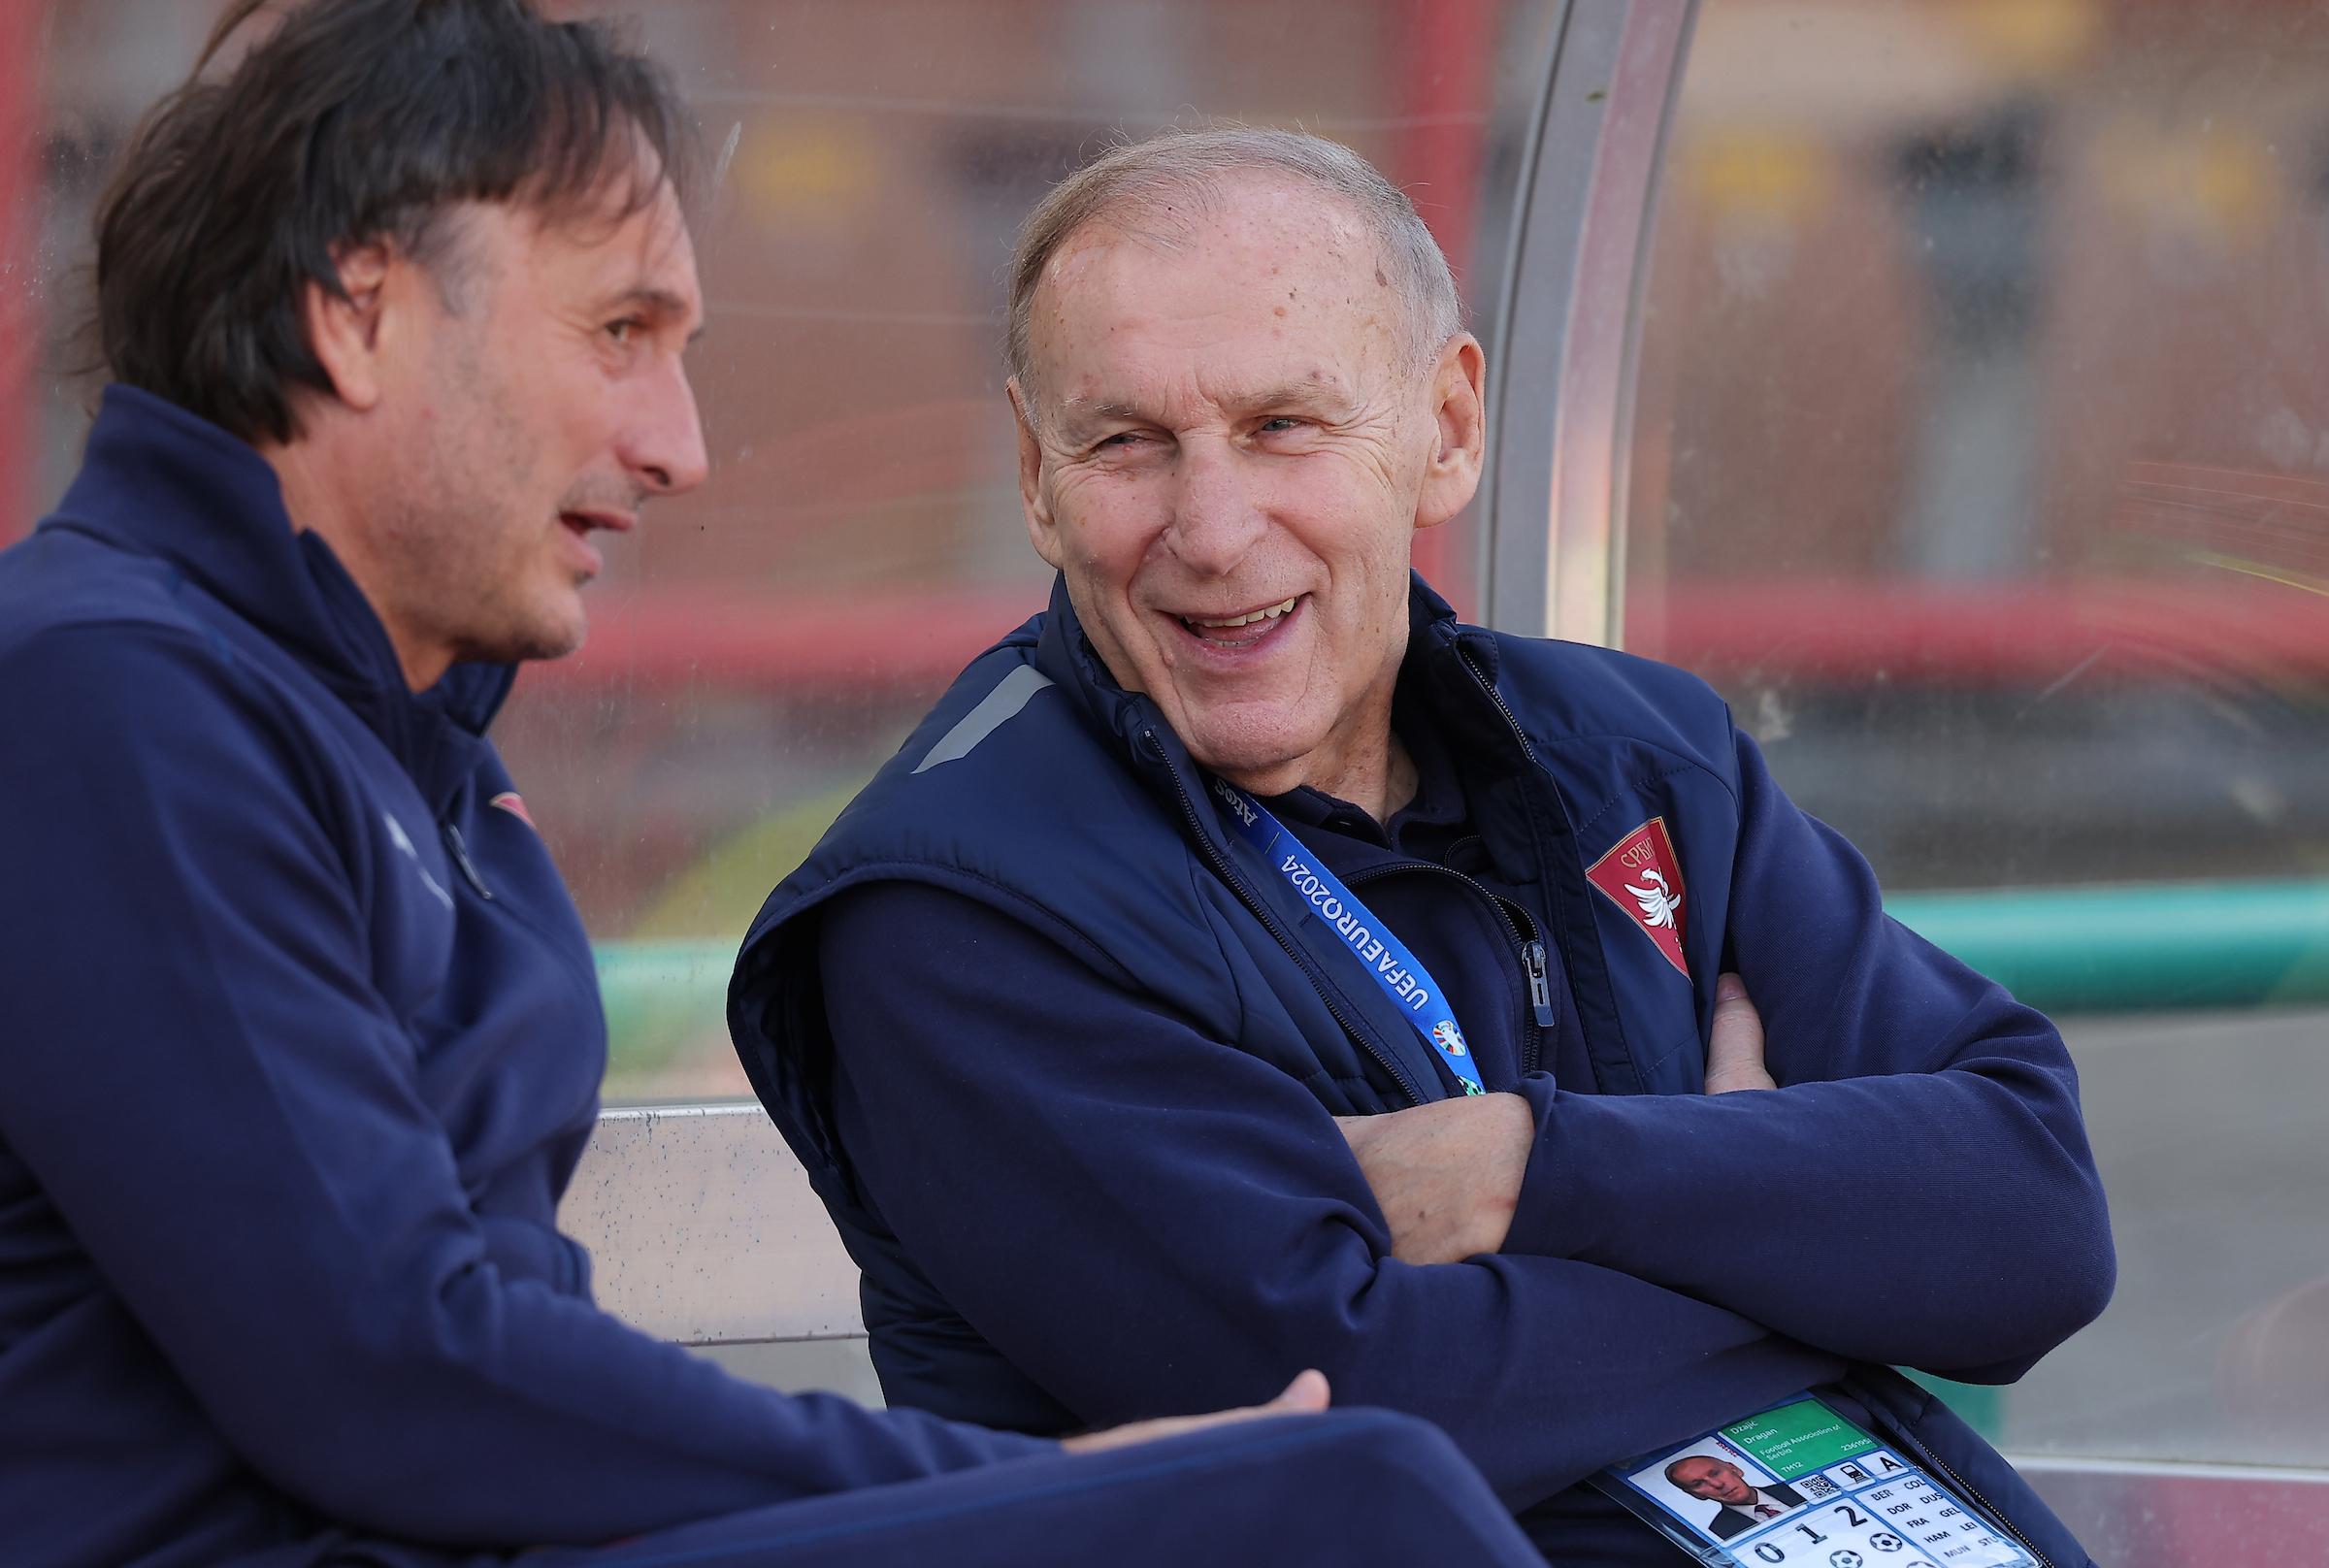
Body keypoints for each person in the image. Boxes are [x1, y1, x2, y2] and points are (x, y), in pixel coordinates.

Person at [0, 9, 1548, 1568]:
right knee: (1338, 1507)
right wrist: (997, 1484)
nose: (677, 444)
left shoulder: (421, 768)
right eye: (620, 333)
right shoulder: (101, 698)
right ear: (358, 313)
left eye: (1284, 427)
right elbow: (383, 1370)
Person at [729, 128, 2116, 1566]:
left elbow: (2036, 1222)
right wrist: (1795, 1230)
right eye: (1126, 442)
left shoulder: (1637, 754)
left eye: (1284, 426)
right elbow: (1357, 1407)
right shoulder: (954, 904)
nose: (1210, 529)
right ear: (1035, 472)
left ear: (1446, 429)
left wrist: (1540, 1168)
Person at [1662, 1457, 1804, 1541]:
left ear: (1734, 1469)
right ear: (1695, 1494)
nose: (1717, 1484)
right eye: (1699, 1484)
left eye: (1715, 1473)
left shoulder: (1797, 1487)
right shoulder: (1719, 1533)